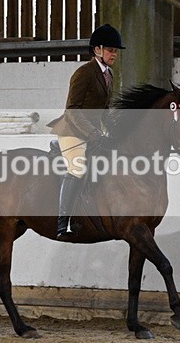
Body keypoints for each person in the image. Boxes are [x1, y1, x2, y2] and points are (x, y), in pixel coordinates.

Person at [46, 24, 125, 240]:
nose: (114, 54)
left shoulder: (109, 74)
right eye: (110, 50)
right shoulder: (83, 73)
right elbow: (72, 110)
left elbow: (105, 110)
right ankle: (63, 221)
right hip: (73, 131)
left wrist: (117, 132)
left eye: (116, 51)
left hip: (93, 132)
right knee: (78, 168)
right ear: (97, 50)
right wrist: (92, 134)